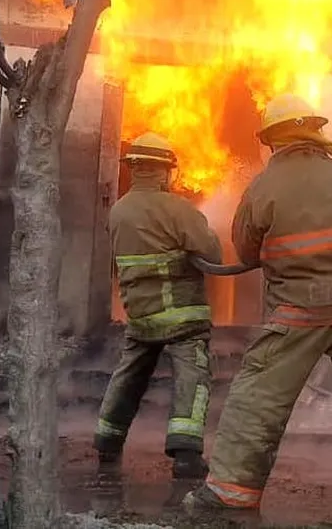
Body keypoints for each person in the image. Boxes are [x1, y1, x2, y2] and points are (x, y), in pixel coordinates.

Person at [184, 94, 332, 521]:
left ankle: (230, 494)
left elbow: (247, 247)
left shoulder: (265, 187)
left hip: (297, 315)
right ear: (316, 132)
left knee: (258, 398)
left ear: (273, 140)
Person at [95, 132, 223, 481]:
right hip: (183, 317)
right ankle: (186, 455)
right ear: (166, 171)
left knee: (129, 375)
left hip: (140, 314)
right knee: (192, 377)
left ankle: (107, 443)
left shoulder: (118, 210)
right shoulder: (178, 208)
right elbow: (212, 254)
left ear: (134, 168)